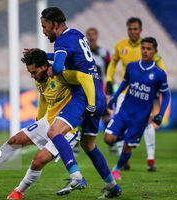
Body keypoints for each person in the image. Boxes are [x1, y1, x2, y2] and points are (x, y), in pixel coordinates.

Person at [0, 49, 81, 199]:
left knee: (37, 161)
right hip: (47, 122)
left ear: (45, 66)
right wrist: (39, 118)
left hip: (67, 129)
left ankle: (19, 192)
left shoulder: (61, 76)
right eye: (30, 72)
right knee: (14, 140)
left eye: (34, 71)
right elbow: (44, 97)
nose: (32, 75)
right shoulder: (39, 81)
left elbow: (81, 75)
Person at [40, 7, 121, 198]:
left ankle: (75, 176)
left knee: (54, 131)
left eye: (44, 27)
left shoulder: (62, 41)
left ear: (55, 24)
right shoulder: (76, 34)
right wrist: (43, 56)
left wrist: (50, 68)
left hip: (83, 96)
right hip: (97, 95)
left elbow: (59, 66)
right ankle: (112, 186)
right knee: (89, 145)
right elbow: (66, 57)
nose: (43, 31)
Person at [104, 37, 170, 180]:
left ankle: (116, 170)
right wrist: (114, 97)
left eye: (149, 49)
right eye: (143, 48)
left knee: (128, 147)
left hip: (140, 118)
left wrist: (161, 114)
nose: (145, 51)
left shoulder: (159, 74)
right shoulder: (132, 66)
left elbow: (165, 95)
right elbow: (124, 82)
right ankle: (123, 136)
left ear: (155, 51)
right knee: (108, 138)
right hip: (124, 111)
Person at [85, 27, 117, 155]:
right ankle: (75, 146)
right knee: (80, 118)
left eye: (93, 35)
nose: (91, 37)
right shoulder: (82, 51)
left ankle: (111, 145)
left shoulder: (104, 52)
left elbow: (109, 69)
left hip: (100, 91)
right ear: (86, 36)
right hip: (84, 91)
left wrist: (111, 81)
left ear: (97, 36)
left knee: (105, 117)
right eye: (89, 34)